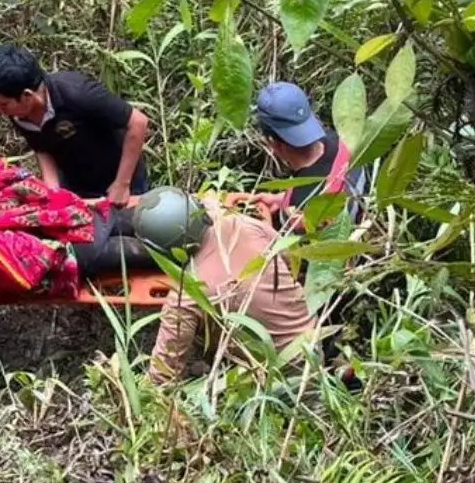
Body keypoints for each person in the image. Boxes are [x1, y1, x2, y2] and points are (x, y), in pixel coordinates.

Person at [132, 187, 317, 383]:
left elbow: (163, 375)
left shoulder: (186, 293)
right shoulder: (244, 224)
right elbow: (290, 260)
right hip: (313, 340)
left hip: (279, 377)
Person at [0, 44, 151, 205]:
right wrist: (53, 192)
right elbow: (42, 148)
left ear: (27, 95)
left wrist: (122, 183)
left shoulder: (77, 93)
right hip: (78, 185)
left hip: (120, 177)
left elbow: (138, 123)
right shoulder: (18, 112)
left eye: (3, 104)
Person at [251, 81, 364, 223]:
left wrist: (265, 223)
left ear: (273, 143)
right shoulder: (342, 141)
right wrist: (279, 199)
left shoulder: (301, 210)